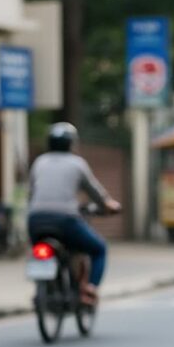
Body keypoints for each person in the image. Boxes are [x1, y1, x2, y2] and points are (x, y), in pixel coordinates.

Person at [27, 122, 120, 305]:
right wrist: (109, 205)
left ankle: (44, 287)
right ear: (72, 143)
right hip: (66, 221)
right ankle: (90, 289)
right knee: (99, 248)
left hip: (35, 220)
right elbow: (96, 193)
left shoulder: (40, 162)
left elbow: (31, 193)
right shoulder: (77, 164)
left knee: (37, 250)